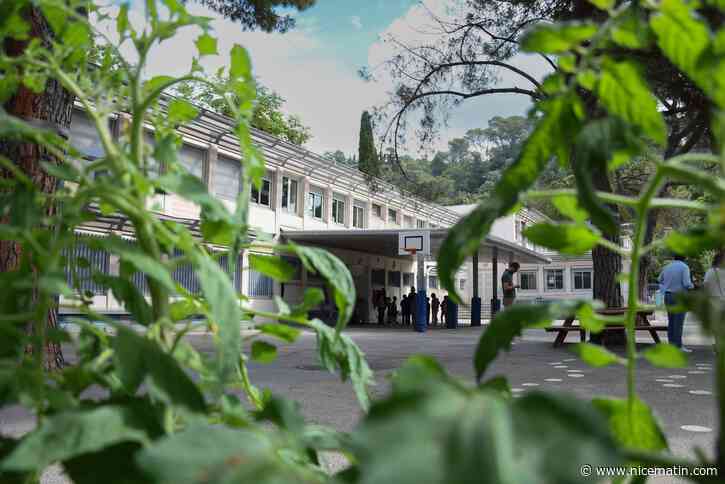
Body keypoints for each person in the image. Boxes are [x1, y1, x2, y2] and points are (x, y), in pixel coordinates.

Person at [659, 254, 694, 351]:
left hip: (668, 296)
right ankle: (678, 346)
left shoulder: (667, 266)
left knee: (671, 321)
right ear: (685, 257)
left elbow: (659, 280)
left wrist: (666, 286)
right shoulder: (684, 267)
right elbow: (687, 283)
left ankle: (671, 345)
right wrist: (693, 285)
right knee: (678, 322)